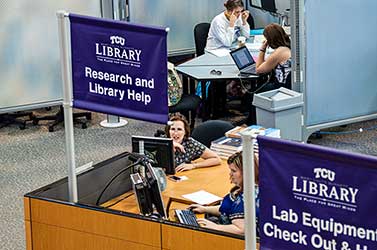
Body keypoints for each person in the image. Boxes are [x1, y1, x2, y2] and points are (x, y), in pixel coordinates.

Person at [188, 151, 259, 236]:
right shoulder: (242, 189)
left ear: (246, 172)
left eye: (234, 171)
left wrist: (215, 227)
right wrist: (205, 209)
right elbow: (227, 209)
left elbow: (242, 230)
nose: (230, 174)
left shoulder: (247, 198)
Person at [256, 23, 291, 88]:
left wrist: (263, 49)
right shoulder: (287, 47)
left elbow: (258, 70)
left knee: (253, 90)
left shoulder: (279, 52)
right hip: (288, 85)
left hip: (281, 88)